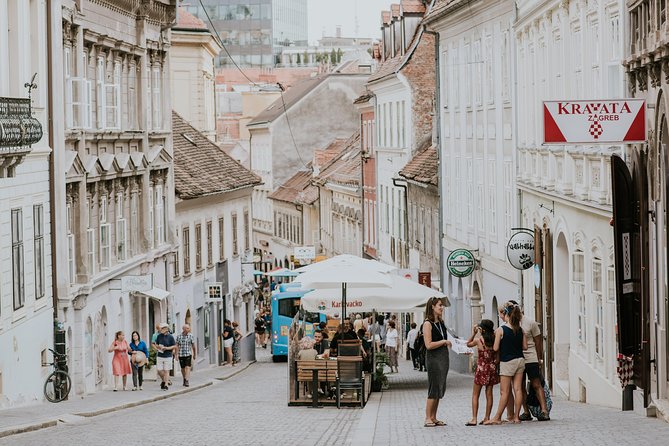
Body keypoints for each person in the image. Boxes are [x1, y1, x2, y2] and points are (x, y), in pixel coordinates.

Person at [484, 302, 527, 425]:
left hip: (507, 361)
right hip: (520, 360)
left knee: (504, 392)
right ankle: (516, 417)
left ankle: (497, 417)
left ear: (506, 314)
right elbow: (524, 346)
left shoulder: (501, 330)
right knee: (518, 389)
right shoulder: (520, 329)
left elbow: (496, 347)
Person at [508, 300, 550, 422]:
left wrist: (539, 358)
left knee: (536, 384)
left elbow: (538, 341)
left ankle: (544, 410)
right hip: (518, 358)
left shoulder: (530, 322)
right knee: (520, 387)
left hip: (531, 358)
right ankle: (526, 412)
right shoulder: (510, 323)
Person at [423, 297, 451, 427]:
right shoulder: (427, 323)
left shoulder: (440, 323)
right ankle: (428, 417)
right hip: (434, 359)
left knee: (440, 387)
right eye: (439, 305)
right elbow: (428, 345)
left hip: (443, 358)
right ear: (433, 307)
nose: (442, 307)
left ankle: (434, 417)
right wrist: (443, 342)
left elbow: (446, 339)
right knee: (433, 387)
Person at [465, 319, 499, 426]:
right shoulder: (495, 339)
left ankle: (474, 418)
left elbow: (468, 344)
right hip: (491, 369)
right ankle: (487, 418)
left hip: (481, 369)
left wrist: (473, 333)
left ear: (482, 330)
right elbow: (497, 357)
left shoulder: (479, 340)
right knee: (489, 394)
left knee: (475, 394)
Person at [153, 323, 177, 390]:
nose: (161, 330)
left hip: (168, 355)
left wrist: (166, 348)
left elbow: (174, 346)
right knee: (159, 370)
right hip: (160, 355)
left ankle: (166, 384)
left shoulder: (170, 337)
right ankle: (164, 380)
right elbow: (156, 344)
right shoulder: (159, 336)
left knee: (166, 370)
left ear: (166, 329)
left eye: (162, 328)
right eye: (161, 328)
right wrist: (159, 347)